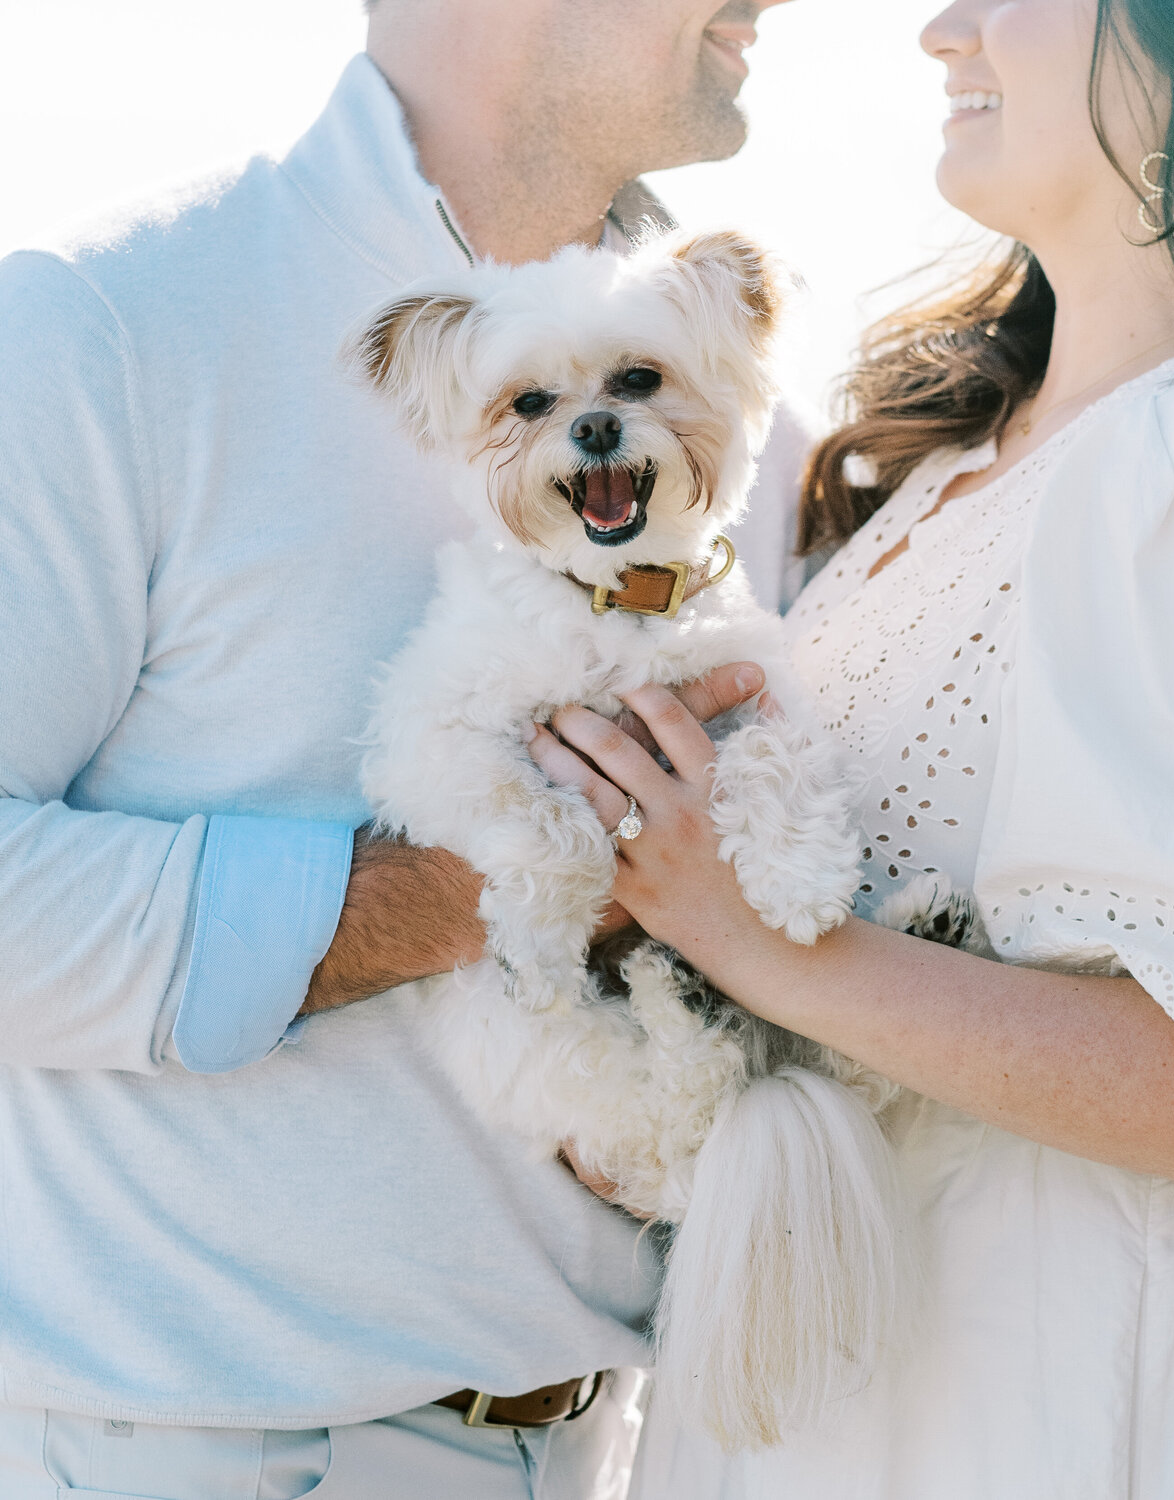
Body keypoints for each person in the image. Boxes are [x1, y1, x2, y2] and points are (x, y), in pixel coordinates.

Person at [0, 2, 803, 1496]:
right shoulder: (102, 325)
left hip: (612, 1448)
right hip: (203, 1454)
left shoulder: (742, 411)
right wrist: (498, 882)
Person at [528, 0, 1174, 1494]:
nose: (944, 30)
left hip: (1018, 1401)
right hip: (801, 1393)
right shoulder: (944, 471)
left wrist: (740, 936)